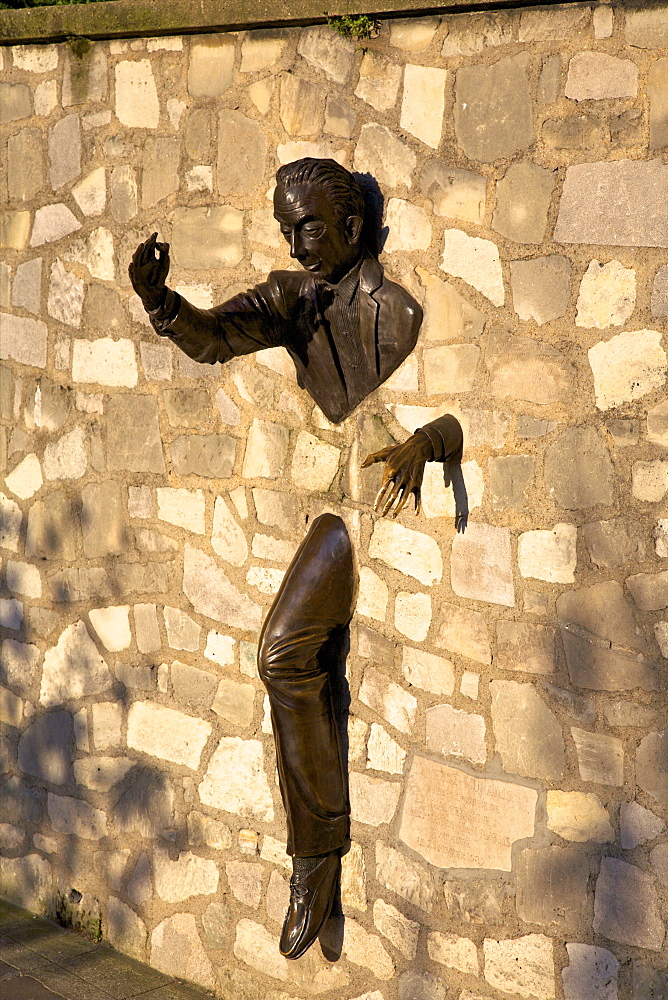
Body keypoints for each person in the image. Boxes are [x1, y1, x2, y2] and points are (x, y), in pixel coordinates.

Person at [129, 158, 463, 958]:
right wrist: (160, 303)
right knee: (283, 654)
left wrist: (427, 442)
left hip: (372, 504)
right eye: (287, 229)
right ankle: (316, 858)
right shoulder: (292, 299)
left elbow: (451, 418)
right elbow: (215, 337)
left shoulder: (401, 311)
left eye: (307, 226)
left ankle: (316, 858)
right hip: (336, 508)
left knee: (284, 655)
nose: (296, 243)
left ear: (352, 225)